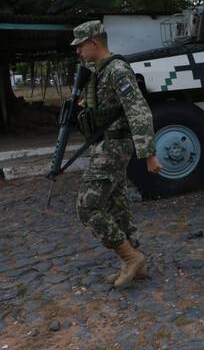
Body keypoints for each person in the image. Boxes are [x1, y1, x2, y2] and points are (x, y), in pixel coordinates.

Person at [71, 20, 161, 289]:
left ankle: (130, 257)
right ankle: (136, 263)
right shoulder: (97, 72)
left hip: (114, 147)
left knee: (87, 206)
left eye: (80, 46)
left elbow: (138, 110)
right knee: (115, 204)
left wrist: (148, 154)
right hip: (104, 144)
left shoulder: (117, 70)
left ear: (93, 43)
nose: (77, 51)